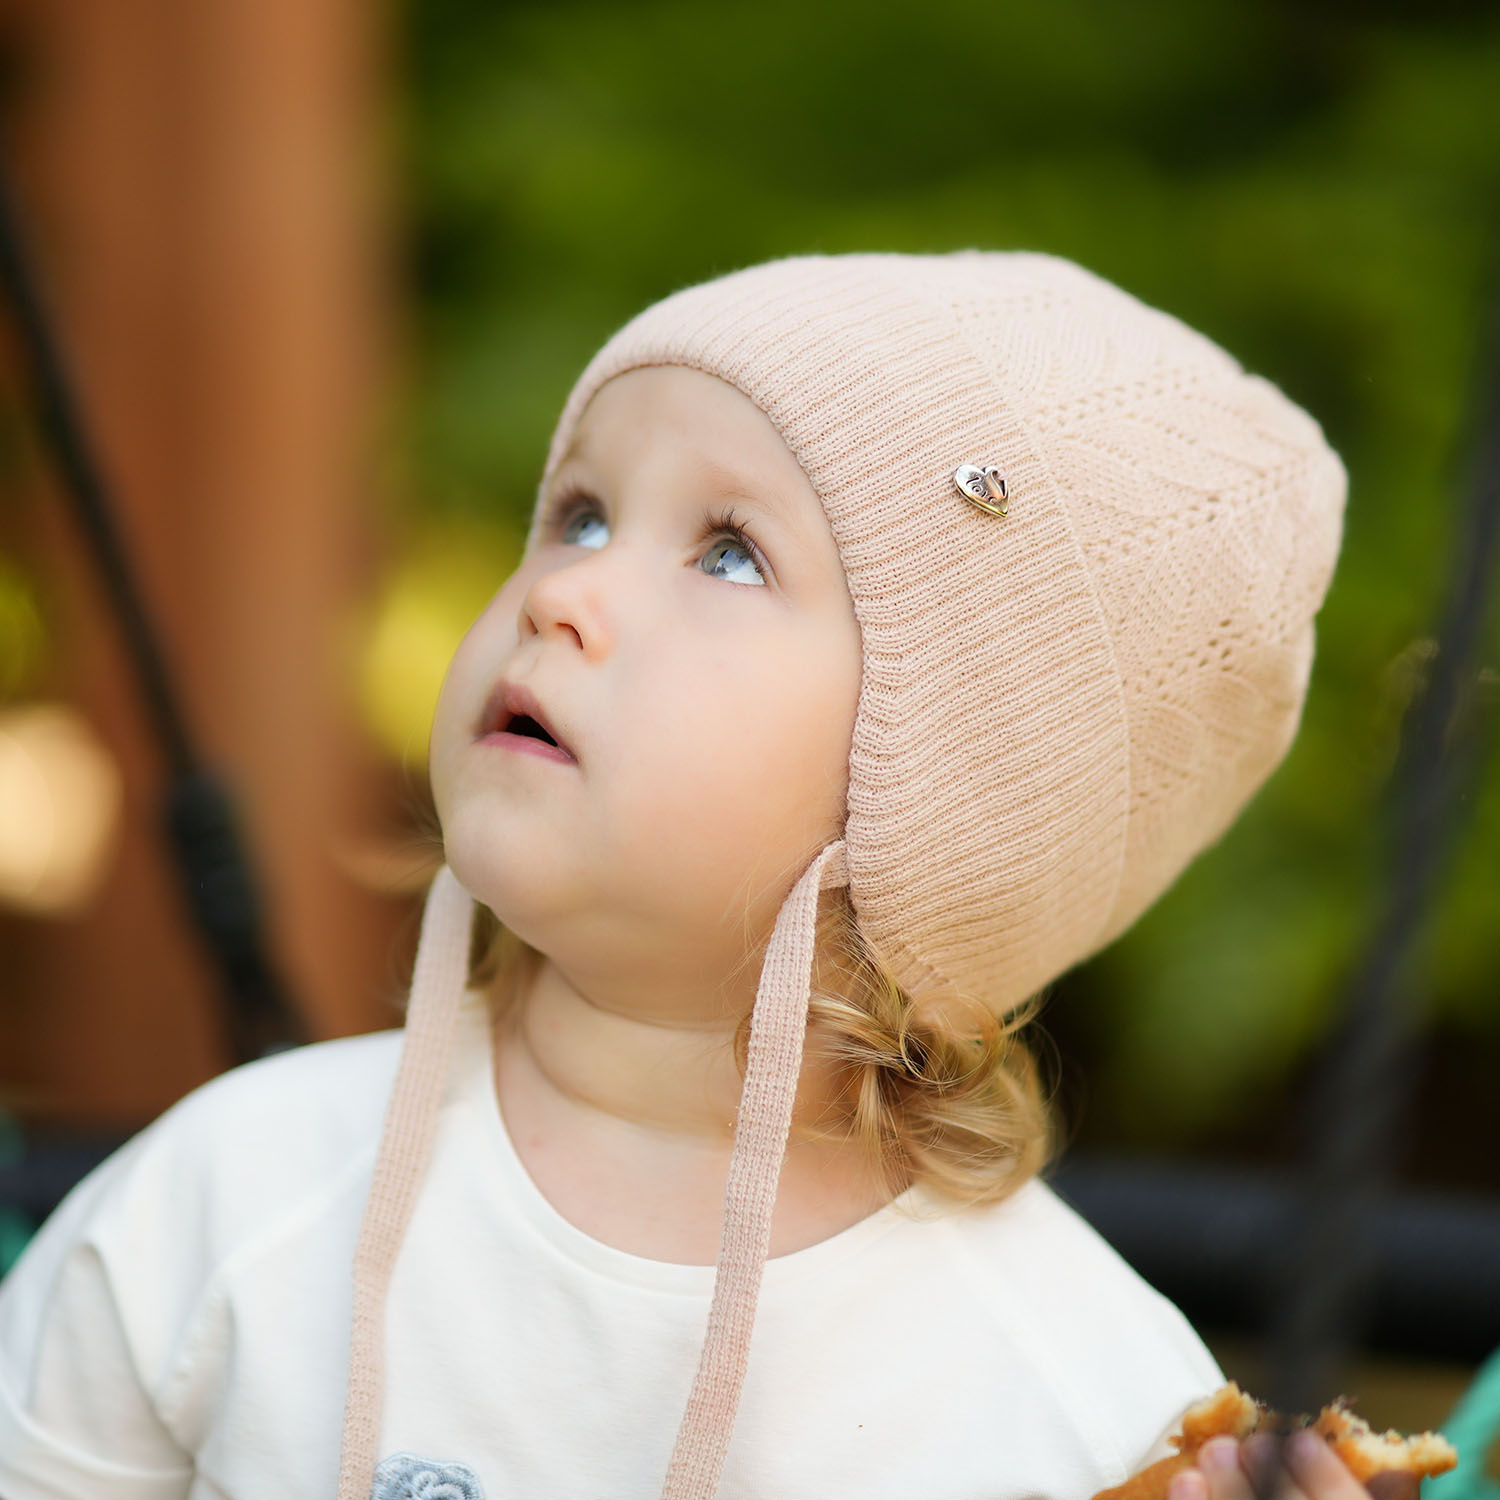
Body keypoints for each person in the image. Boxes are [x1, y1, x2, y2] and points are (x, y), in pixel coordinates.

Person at [0, 252, 1369, 1499]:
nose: (557, 593)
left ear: (948, 789)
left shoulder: (1093, 1414)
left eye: (729, 551)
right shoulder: (233, 1197)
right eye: (582, 515)